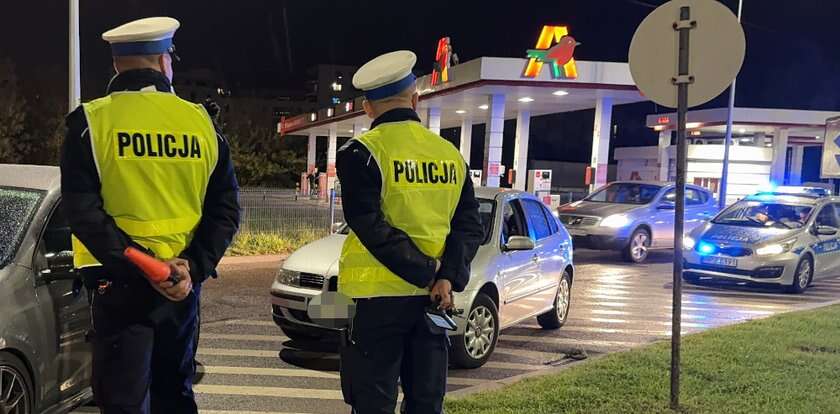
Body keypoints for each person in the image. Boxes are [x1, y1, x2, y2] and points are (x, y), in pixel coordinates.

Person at [60, 17, 240, 414]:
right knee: (175, 394)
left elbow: (83, 212)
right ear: (163, 62)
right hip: (182, 287)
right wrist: (191, 266)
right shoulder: (201, 123)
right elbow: (225, 210)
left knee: (122, 400)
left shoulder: (90, 123)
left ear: (116, 66)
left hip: (118, 287)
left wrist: (144, 266)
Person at [336, 50, 484, 414]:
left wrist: (429, 272)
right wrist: (446, 276)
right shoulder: (449, 154)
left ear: (368, 107)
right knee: (426, 401)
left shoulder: (361, 152)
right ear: (415, 97)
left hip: (378, 303)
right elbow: (469, 226)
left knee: (373, 403)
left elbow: (370, 227)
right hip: (434, 301)